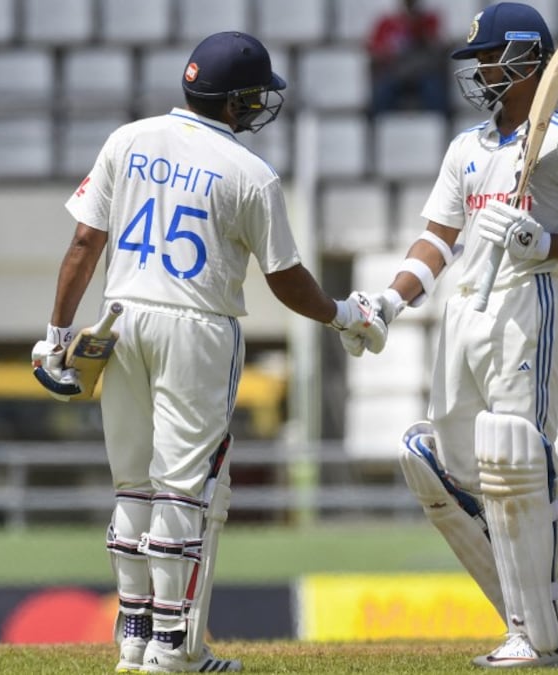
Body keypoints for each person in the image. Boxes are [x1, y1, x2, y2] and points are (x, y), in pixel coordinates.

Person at [30, 31, 386, 673]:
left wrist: (57, 336)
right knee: (182, 493)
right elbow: (285, 279)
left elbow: (85, 244)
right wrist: (342, 315)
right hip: (198, 327)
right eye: (254, 97)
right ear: (235, 101)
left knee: (132, 487)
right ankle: (173, 649)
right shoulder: (252, 174)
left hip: (121, 317)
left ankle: (133, 638)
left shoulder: (128, 139)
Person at [345, 2, 558, 668]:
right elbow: (437, 239)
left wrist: (548, 242)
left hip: (527, 302)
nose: (477, 72)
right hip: (465, 312)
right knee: (433, 462)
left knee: (519, 459)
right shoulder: (465, 149)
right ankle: (544, 609)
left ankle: (539, 636)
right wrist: (391, 301)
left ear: (528, 61)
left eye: (488, 58)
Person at [366, 0, 450, 115]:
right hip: (395, 72)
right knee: (381, 95)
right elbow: (375, 49)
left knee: (435, 92)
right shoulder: (387, 22)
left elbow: (437, 47)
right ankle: (375, 128)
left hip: (423, 72)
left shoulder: (429, 19)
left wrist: (419, 28)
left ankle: (442, 126)